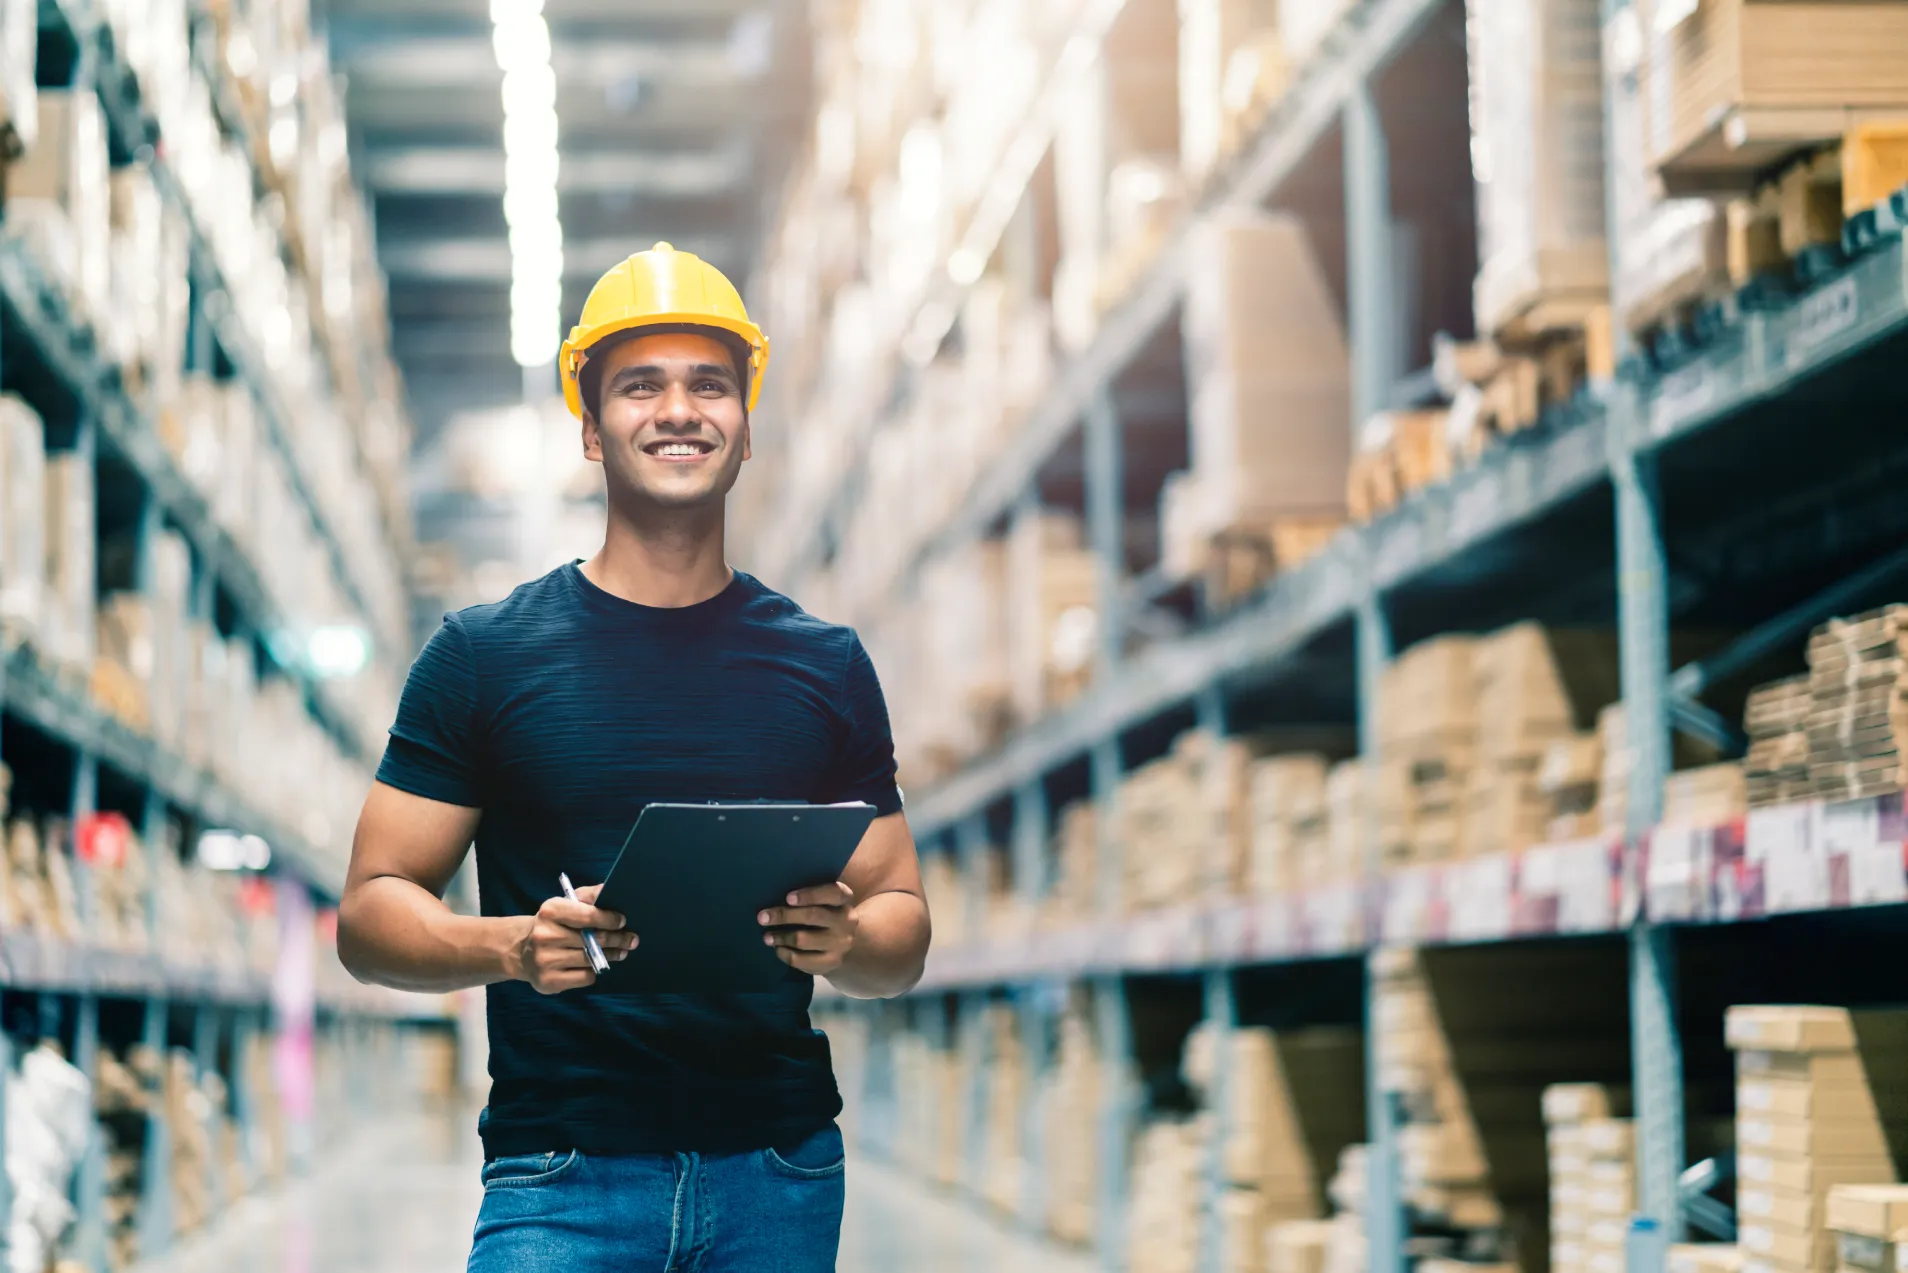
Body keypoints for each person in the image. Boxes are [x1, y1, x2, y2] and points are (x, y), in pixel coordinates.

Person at [337, 243, 931, 1272]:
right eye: (639, 385)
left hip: (779, 1178)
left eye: (709, 383)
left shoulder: (826, 666)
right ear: (589, 427)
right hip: (560, 1180)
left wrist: (845, 939)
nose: (678, 410)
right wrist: (512, 947)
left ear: (746, 429)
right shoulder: (483, 657)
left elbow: (904, 930)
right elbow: (368, 914)